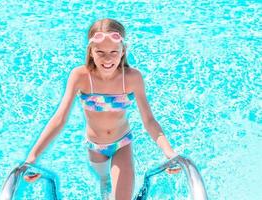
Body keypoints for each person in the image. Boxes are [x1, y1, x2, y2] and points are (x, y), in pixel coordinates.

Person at [24, 18, 181, 200]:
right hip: (95, 146)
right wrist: (32, 158)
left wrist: (170, 153)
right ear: (91, 52)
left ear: (123, 51)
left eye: (114, 51)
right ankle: (106, 181)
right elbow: (59, 119)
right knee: (105, 180)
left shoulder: (132, 78)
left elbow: (149, 121)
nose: (108, 59)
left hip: (122, 143)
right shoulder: (80, 76)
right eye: (100, 52)